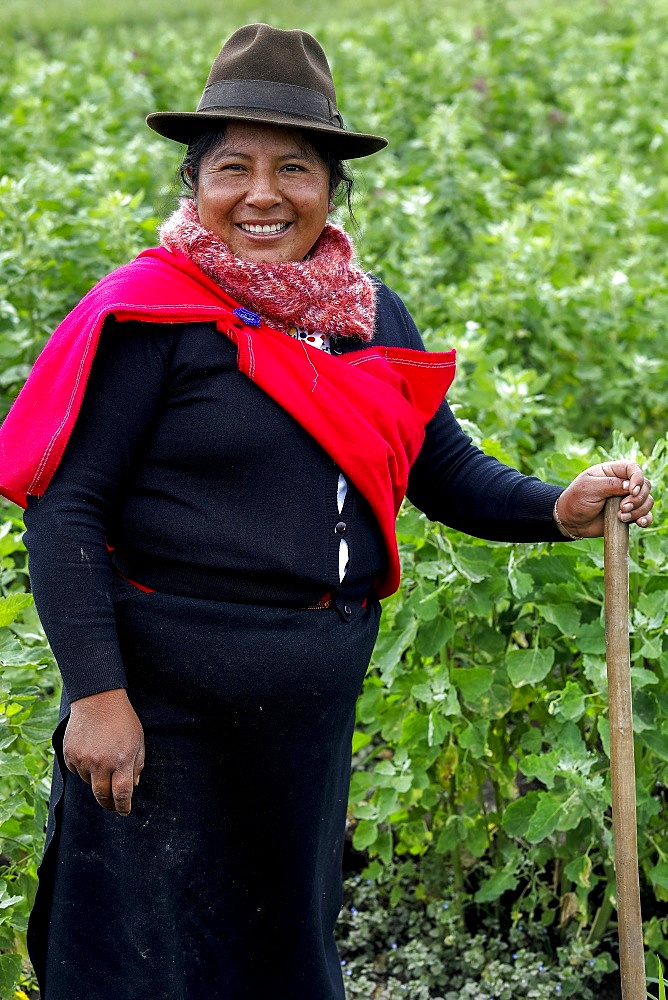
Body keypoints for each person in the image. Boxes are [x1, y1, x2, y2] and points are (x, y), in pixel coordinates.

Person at [0, 23, 653, 1000]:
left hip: (302, 714)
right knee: (145, 960)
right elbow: (66, 510)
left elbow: (440, 467)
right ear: (195, 184)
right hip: (160, 712)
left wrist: (557, 505)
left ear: (331, 186)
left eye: (293, 168)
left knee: (279, 951)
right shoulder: (150, 315)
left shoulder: (364, 316)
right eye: (233, 168)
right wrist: (97, 697)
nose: (262, 194)